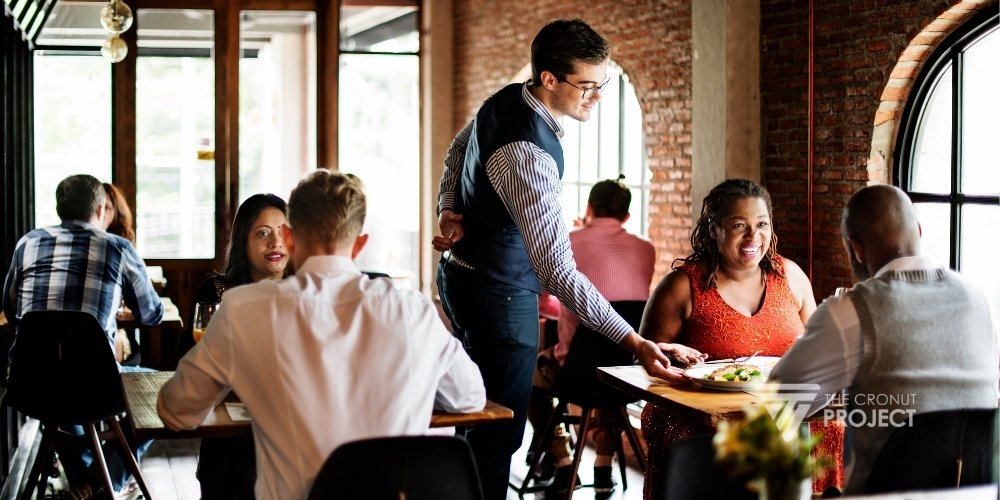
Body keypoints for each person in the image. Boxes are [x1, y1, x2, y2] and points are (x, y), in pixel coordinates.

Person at [432, 19, 691, 499]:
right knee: (498, 435)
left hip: (460, 279)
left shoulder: (505, 100)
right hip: (498, 297)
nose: (596, 96)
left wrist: (449, 209)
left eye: (602, 84)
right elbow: (557, 271)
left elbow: (455, 152)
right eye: (587, 86)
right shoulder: (528, 156)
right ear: (548, 78)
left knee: (473, 415)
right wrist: (634, 341)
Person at [157, 170, 486, 500]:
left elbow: (176, 412)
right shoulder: (414, 312)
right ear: (359, 244)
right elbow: (470, 397)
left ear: (288, 238)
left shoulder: (242, 310)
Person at [769, 184, 999, 495]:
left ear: (856, 248)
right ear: (918, 230)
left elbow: (783, 396)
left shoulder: (851, 311)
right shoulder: (977, 297)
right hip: (977, 492)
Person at [638, 178, 841, 498]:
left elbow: (820, 349)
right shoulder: (680, 286)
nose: (752, 236)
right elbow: (645, 357)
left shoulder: (791, 276)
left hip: (784, 407)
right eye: (738, 225)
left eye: (761, 224)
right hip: (702, 414)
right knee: (701, 434)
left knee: (831, 425)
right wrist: (670, 352)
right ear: (714, 229)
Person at [3, 174, 163, 499]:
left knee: (62, 402)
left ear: (59, 207)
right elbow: (151, 314)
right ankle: (104, 481)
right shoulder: (118, 247)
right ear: (102, 208)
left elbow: (9, 304)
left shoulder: (27, 242)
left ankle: (83, 483)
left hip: (29, 383)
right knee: (168, 392)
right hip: (95, 386)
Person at [526, 176, 655, 495]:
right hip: (627, 374)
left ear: (589, 207)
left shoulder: (568, 241)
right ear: (626, 217)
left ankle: (563, 462)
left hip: (577, 374)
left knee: (528, 378)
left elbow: (545, 302)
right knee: (609, 369)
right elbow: (624, 304)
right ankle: (602, 466)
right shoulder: (646, 249)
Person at [177, 193, 290, 500]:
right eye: (262, 233)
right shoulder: (217, 291)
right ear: (243, 241)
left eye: (284, 230)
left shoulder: (307, 291)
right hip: (231, 435)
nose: (276, 242)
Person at [100, 182, 142, 366]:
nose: (100, 214)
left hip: (115, 331)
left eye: (107, 208)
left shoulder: (121, 246)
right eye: (97, 208)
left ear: (116, 212)